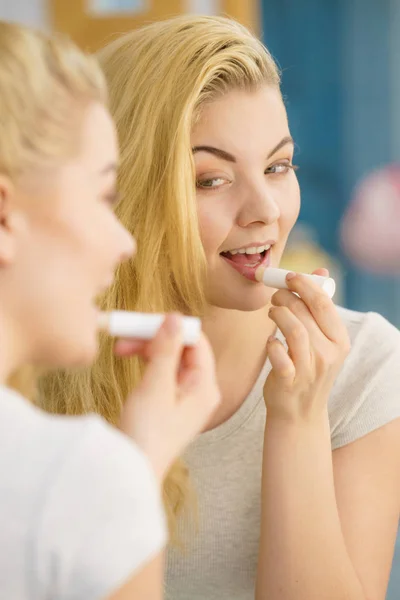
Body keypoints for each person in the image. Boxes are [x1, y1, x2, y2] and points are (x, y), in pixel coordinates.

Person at [40, 15, 400, 600]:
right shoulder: (42, 367)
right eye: (210, 179)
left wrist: (298, 418)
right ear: (123, 189)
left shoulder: (366, 368)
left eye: (278, 167)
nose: (265, 210)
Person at [0, 20, 220, 600]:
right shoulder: (78, 478)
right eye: (103, 197)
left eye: (280, 165)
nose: (123, 244)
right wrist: (124, 486)